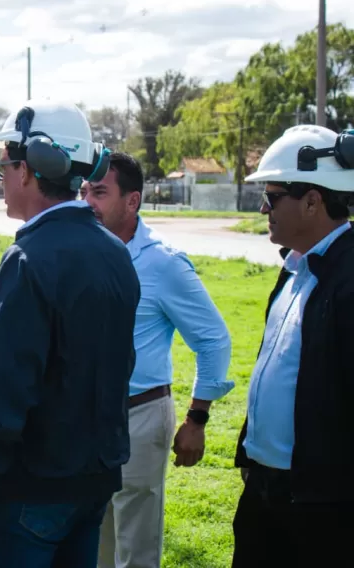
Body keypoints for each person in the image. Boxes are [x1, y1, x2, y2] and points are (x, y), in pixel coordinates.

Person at [0, 100, 141, 568]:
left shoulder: (27, 258)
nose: (1, 180)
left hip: (32, 487)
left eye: (4, 167)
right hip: (95, 479)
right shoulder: (115, 251)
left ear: (30, 169)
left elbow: (8, 390)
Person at [80, 152, 233, 568]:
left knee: (135, 549)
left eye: (99, 192)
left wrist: (197, 419)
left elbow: (213, 340)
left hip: (139, 416)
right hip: (84, 420)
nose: (87, 202)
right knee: (92, 543)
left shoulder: (162, 263)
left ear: (132, 201)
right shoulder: (84, 252)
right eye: (84, 191)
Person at [231, 125, 354, 567]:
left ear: (312, 201)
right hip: (267, 489)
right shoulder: (295, 268)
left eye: (273, 196)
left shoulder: (348, 279)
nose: (263, 208)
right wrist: (250, 453)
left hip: (323, 504)